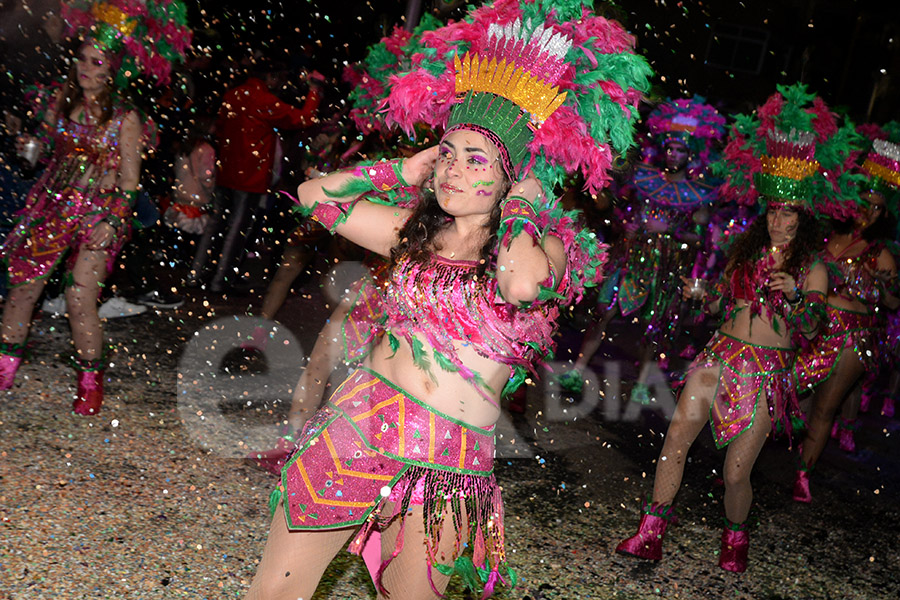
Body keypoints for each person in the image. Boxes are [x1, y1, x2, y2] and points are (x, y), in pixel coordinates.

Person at [243, 2, 651, 598]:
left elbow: (516, 285)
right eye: (448, 155)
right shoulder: (415, 229)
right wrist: (403, 170)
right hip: (359, 430)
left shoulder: (550, 248)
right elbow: (314, 197)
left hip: (452, 469)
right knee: (275, 593)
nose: (453, 171)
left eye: (476, 159)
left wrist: (522, 207)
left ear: (512, 176)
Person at [615, 84, 859, 573]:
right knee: (676, 440)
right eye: (772, 210)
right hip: (719, 356)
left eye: (786, 212)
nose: (777, 219)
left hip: (766, 376)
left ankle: (735, 537)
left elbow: (813, 325)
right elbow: (727, 303)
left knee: (735, 472)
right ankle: (649, 533)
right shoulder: (745, 254)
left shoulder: (813, 268)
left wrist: (793, 295)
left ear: (801, 217)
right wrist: (704, 295)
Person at [0, 0, 191, 414]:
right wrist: (28, 144)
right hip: (52, 205)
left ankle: (90, 382)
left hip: (98, 212)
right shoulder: (59, 102)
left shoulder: (125, 119)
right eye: (83, 59)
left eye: (97, 62)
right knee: (22, 290)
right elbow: (50, 151)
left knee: (78, 298)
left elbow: (128, 180)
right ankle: (4, 369)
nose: (86, 69)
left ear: (114, 70)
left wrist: (113, 219)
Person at [560, 97, 725, 398]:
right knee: (603, 311)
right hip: (631, 256)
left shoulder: (695, 195)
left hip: (666, 265)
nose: (673, 155)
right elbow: (620, 209)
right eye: (670, 149)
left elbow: (701, 239)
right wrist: (626, 221)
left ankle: (640, 385)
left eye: (681, 151)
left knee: (657, 323)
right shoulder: (644, 177)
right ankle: (577, 369)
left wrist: (675, 232)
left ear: (691, 155)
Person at [792, 136, 900, 501]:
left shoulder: (881, 254)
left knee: (826, 406)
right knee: (793, 395)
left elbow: (893, 303)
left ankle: (803, 475)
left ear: (884, 215)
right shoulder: (826, 238)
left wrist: (885, 287)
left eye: (876, 208)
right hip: (814, 326)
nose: (868, 212)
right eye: (864, 204)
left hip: (853, 336)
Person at [189, 60, 323, 292]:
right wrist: (314, 93)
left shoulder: (232, 95)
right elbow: (304, 118)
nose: (280, 84)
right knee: (237, 228)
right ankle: (220, 281)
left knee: (215, 225)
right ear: (270, 77)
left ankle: (196, 274)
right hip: (249, 176)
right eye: (278, 78)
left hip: (227, 172)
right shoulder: (264, 100)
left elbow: (220, 129)